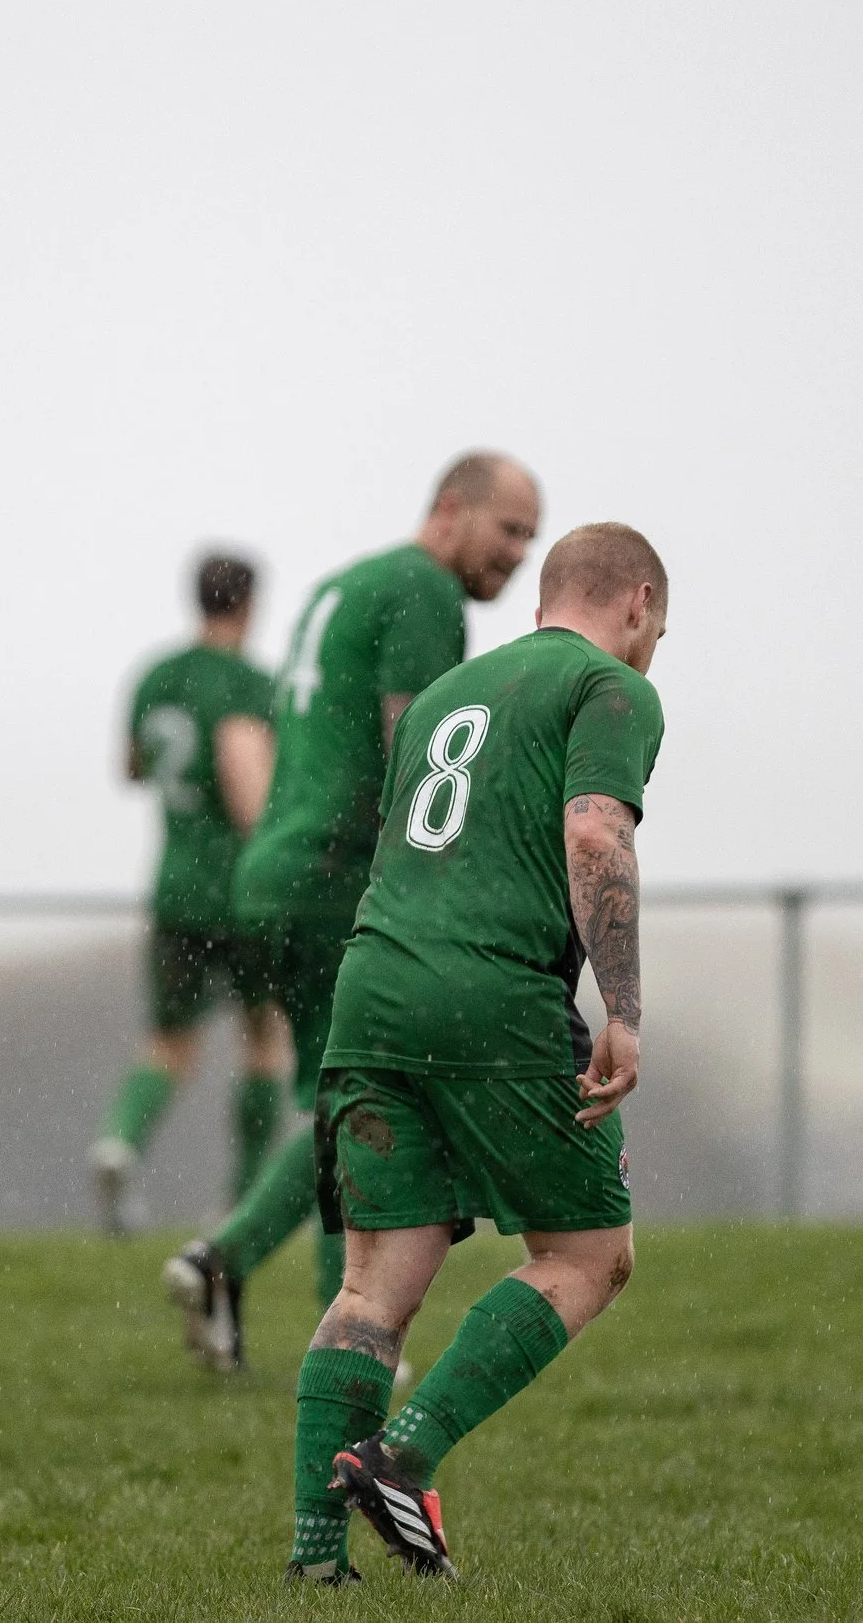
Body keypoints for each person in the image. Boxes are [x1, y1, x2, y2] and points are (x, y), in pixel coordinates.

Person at [281, 522, 666, 1584]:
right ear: (635, 603)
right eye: (656, 632)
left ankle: (316, 1565)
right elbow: (595, 834)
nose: (649, 652)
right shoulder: (609, 688)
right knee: (590, 1255)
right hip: (488, 996)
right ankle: (401, 1456)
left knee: (370, 1289)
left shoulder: (450, 691)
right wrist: (621, 1006)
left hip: (372, 991)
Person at [163, 453, 541, 1370]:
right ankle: (267, 1279)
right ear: (451, 510)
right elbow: (418, 750)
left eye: (531, 539)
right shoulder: (423, 591)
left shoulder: (345, 583)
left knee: (340, 1103)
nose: (519, 555)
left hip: (274, 872)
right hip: (336, 876)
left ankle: (312, 1306)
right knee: (367, 1104)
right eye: (509, 530)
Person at [89, 553, 289, 1234]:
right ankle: (240, 1197)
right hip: (241, 892)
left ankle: (120, 1141)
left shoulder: (156, 676)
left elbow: (132, 766)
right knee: (263, 1036)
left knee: (169, 1042)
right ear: (249, 604)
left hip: (174, 889)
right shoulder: (245, 683)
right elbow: (244, 780)